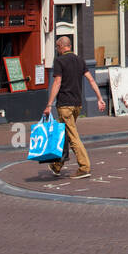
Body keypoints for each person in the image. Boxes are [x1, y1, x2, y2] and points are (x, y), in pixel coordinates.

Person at [45, 37, 106, 179]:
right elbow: (91, 79)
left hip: (65, 105)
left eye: (56, 47)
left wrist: (49, 104)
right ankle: (56, 165)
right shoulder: (80, 60)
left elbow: (57, 82)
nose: (56, 49)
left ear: (61, 46)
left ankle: (84, 167)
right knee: (65, 134)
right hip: (77, 104)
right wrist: (99, 98)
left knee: (72, 136)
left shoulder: (59, 61)